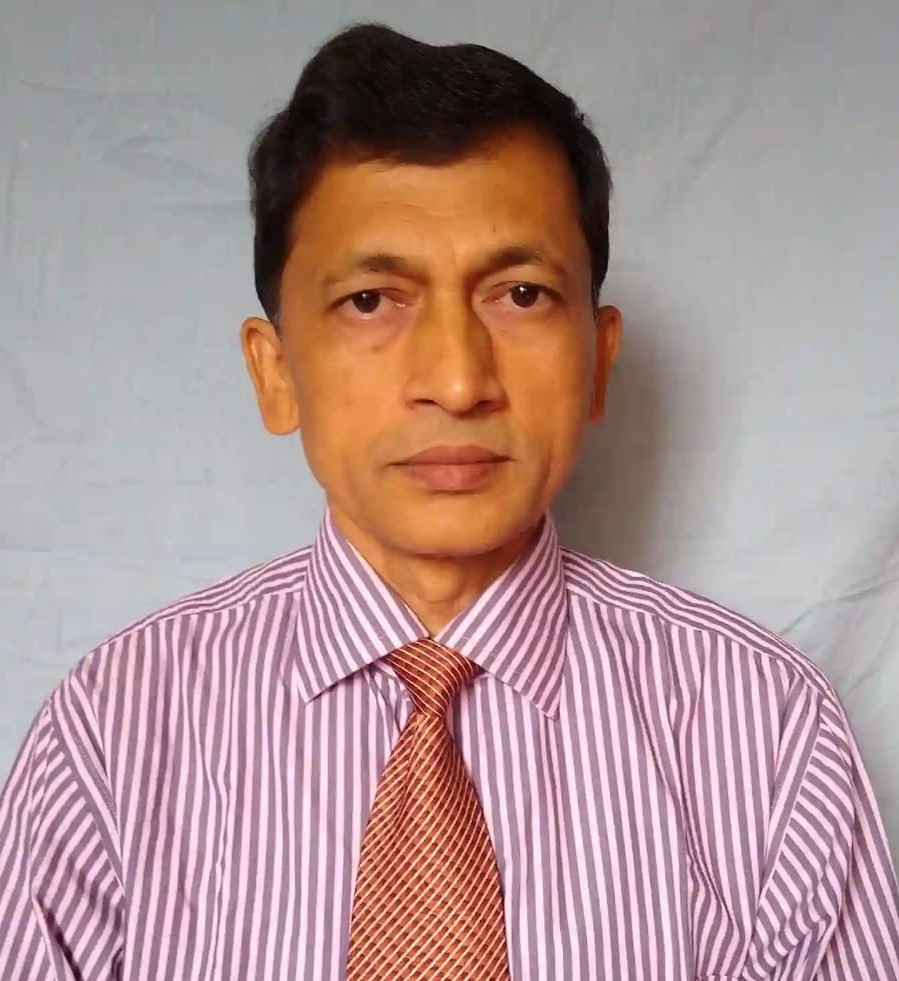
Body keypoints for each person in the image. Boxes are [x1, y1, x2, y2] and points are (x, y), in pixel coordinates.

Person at [1, 21, 898, 981]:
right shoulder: (116, 730)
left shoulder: (763, 727)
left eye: (519, 294)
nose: (458, 381)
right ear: (275, 372)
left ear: (597, 360)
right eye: (371, 300)